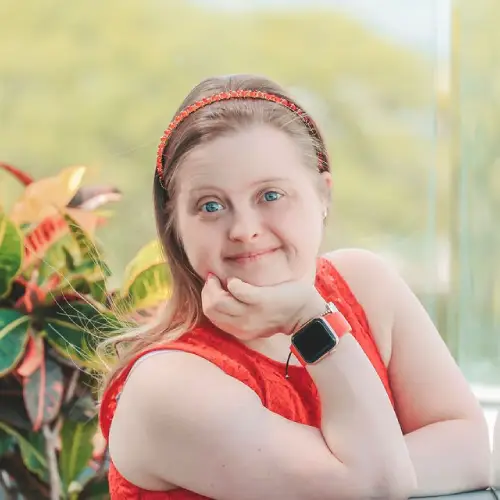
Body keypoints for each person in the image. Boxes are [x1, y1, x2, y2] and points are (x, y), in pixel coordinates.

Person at [98, 74, 491, 500]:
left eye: (270, 195)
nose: (244, 230)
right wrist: (308, 320)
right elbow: (378, 484)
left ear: (323, 194)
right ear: (175, 226)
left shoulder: (365, 285)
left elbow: (471, 450)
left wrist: (362, 468)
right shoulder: (167, 385)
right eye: (210, 206)